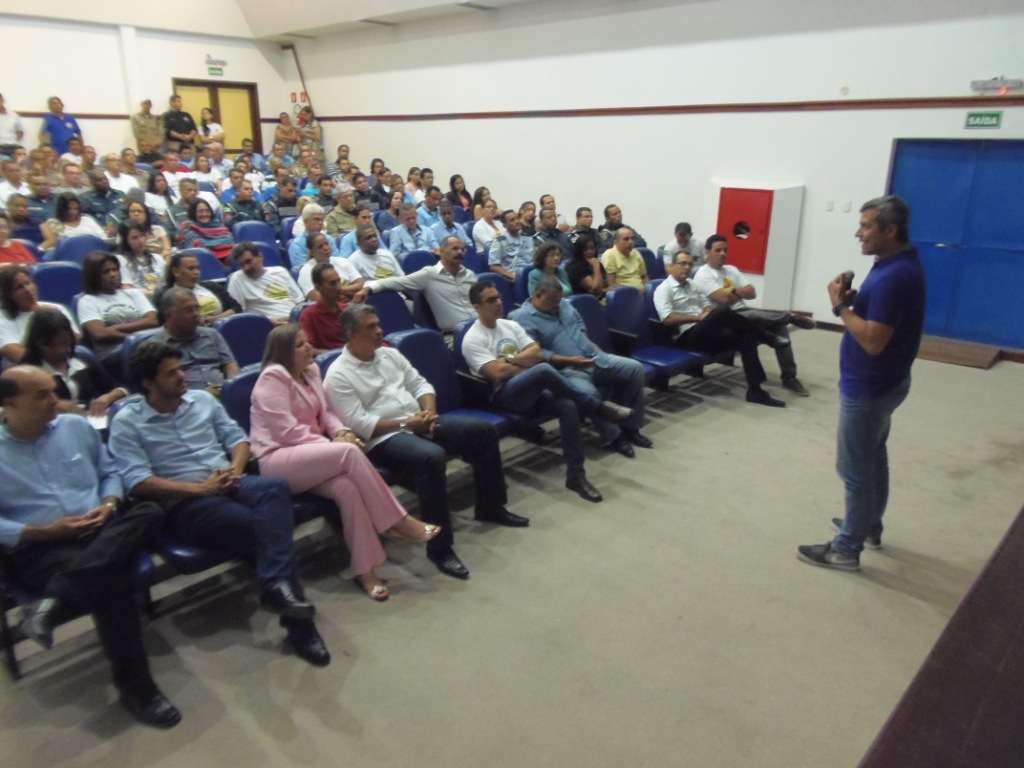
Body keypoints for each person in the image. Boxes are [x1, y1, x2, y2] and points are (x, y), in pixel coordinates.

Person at [109, 341, 330, 666]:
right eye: (171, 373)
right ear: (148, 383)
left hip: (229, 481)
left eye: (180, 368)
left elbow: (236, 439)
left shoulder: (200, 400)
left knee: (274, 489)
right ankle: (300, 627)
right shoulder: (128, 422)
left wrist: (235, 470)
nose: (182, 376)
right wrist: (198, 489)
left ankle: (274, 587)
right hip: (185, 502)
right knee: (264, 528)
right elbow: (137, 481)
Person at [0, 366, 180, 728]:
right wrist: (44, 530)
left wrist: (109, 504)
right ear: (9, 404)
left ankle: (57, 599)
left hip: (101, 525)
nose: (56, 401)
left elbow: (110, 472)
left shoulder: (74, 426)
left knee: (149, 508)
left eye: (53, 391)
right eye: (42, 395)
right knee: (109, 584)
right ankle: (139, 690)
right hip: (40, 545)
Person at [324, 304, 528, 581]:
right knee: (431, 457)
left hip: (420, 421)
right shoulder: (337, 374)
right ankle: (440, 547)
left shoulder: (390, 354)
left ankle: (491, 506)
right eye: (370, 327)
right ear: (350, 335)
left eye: (378, 324)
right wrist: (409, 424)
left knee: (483, 431)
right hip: (384, 439)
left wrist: (429, 411)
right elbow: (361, 425)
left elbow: (421, 385)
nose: (379, 330)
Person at [250, 325, 440, 600]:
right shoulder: (273, 378)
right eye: (300, 345)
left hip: (311, 456)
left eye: (307, 342)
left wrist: (341, 431)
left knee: (347, 489)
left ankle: (367, 573)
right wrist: (334, 446)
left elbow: (326, 413)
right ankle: (396, 520)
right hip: (278, 458)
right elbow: (286, 432)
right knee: (349, 454)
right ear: (284, 352)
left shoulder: (312, 371)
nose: (309, 348)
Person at [797, 196, 926, 571]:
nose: (858, 233)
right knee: (873, 458)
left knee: (854, 469)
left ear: (890, 230)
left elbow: (872, 340)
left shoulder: (895, 276)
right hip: (886, 382)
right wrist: (856, 303)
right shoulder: (895, 264)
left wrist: (840, 308)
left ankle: (846, 549)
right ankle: (868, 525)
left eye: (866, 226)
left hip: (869, 387)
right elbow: (879, 318)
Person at [462, 281, 632, 503]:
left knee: (568, 405)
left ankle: (576, 475)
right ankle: (596, 407)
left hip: (532, 388)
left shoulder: (509, 325)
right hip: (506, 396)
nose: (498, 303)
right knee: (542, 370)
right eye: (491, 300)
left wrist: (512, 359)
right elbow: (496, 372)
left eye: (499, 297)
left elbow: (537, 352)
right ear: (476, 306)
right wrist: (524, 364)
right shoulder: (473, 338)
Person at [511, 275, 652, 458]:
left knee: (635, 369)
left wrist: (587, 342)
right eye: (553, 301)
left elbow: (579, 323)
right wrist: (569, 361)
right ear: (538, 295)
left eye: (559, 300)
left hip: (595, 357)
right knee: (589, 394)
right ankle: (615, 437)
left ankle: (631, 428)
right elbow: (537, 355)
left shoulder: (564, 304)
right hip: (568, 370)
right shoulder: (521, 319)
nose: (557, 305)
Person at [654, 250, 791, 408]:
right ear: (671, 266)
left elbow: (706, 305)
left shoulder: (692, 285)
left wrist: (705, 316)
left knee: (746, 338)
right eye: (682, 263)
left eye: (690, 264)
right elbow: (667, 319)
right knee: (723, 310)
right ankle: (768, 337)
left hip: (705, 332)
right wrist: (698, 318)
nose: (687, 267)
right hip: (687, 338)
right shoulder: (664, 289)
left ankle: (755, 391)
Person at [693, 234, 813, 396]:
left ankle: (789, 377)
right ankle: (788, 317)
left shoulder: (731, 270)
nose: (722, 254)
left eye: (725, 250)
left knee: (779, 327)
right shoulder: (703, 274)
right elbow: (723, 299)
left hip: (746, 312)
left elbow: (752, 293)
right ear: (707, 252)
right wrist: (738, 293)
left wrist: (733, 290)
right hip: (726, 319)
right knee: (752, 316)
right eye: (718, 250)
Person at [355, 234, 476, 335]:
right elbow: (397, 282)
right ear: (441, 251)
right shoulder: (429, 275)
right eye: (455, 249)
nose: (460, 252)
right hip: (455, 335)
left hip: (480, 328)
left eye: (462, 249)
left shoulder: (470, 275)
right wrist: (368, 288)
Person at [22, 309, 128, 416]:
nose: (60, 350)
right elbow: (15, 409)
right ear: (37, 344)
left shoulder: (82, 358)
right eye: (51, 345)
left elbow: (120, 389)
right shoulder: (26, 371)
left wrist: (107, 397)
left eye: (65, 343)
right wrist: (54, 405)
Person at [151, 287, 240, 394]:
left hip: (223, 394)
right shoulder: (156, 347)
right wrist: (202, 395)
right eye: (188, 310)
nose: (196, 314)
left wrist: (231, 386)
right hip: (185, 403)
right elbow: (161, 390)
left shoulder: (212, 334)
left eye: (197, 308)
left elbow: (230, 365)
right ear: (169, 315)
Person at [77, 251, 158, 365]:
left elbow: (153, 320)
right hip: (113, 355)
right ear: (93, 275)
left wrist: (116, 328)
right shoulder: (87, 301)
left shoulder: (133, 293)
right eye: (106, 272)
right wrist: (134, 340)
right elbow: (100, 334)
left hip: (145, 347)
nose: (113, 274)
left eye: (115, 270)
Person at [0, 265, 79, 366]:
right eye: (19, 288)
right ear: (9, 295)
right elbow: (15, 354)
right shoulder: (2, 318)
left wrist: (59, 318)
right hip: (27, 371)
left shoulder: (55, 309)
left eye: (28, 283)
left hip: (65, 363)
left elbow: (77, 342)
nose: (28, 290)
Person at [155, 251, 241, 325]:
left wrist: (216, 318)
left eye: (197, 268)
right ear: (176, 272)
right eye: (191, 268)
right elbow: (163, 322)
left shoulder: (212, 287)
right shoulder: (164, 295)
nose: (196, 272)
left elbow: (236, 308)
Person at [227, 242, 304, 324]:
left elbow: (300, 301)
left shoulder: (281, 271)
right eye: (242, 265)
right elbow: (238, 314)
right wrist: (268, 321)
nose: (246, 268)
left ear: (260, 256)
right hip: (268, 324)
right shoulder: (237, 279)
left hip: (295, 319)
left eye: (248, 261)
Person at [295, 232, 363, 300]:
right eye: (320, 247)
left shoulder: (342, 261)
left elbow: (361, 285)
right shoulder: (306, 272)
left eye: (326, 244)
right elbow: (318, 298)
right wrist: (350, 293)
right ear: (312, 252)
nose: (326, 248)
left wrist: (337, 291)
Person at [299, 262, 349, 352]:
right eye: (332, 283)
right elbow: (308, 349)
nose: (339, 288)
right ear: (318, 288)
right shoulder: (308, 315)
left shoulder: (347, 310)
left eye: (339, 281)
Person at [115, 221, 167, 298]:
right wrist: (153, 295)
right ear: (126, 241)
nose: (141, 241)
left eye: (142, 236)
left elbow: (167, 282)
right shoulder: (120, 260)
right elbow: (127, 288)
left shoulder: (157, 258)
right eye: (134, 238)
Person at [39, 192, 106, 250]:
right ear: (61, 208)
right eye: (69, 208)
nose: (72, 212)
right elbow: (50, 245)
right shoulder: (52, 224)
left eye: (75, 209)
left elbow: (104, 238)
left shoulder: (87, 219)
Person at [488, 209, 534, 281]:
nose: (517, 222)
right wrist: (513, 276)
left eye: (517, 218)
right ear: (504, 225)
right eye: (512, 220)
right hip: (517, 276)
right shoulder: (499, 241)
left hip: (532, 273)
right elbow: (494, 266)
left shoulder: (528, 238)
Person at [288, 203, 339, 268]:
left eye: (322, 220)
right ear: (305, 221)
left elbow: (337, 261)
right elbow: (301, 269)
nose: (320, 223)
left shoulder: (329, 239)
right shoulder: (297, 245)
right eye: (316, 219)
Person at [566, 234, 607, 299]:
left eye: (592, 248)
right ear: (579, 250)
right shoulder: (574, 267)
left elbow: (608, 285)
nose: (589, 252)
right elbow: (597, 291)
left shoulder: (595, 262)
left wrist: (603, 289)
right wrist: (596, 267)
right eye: (585, 249)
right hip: (584, 302)